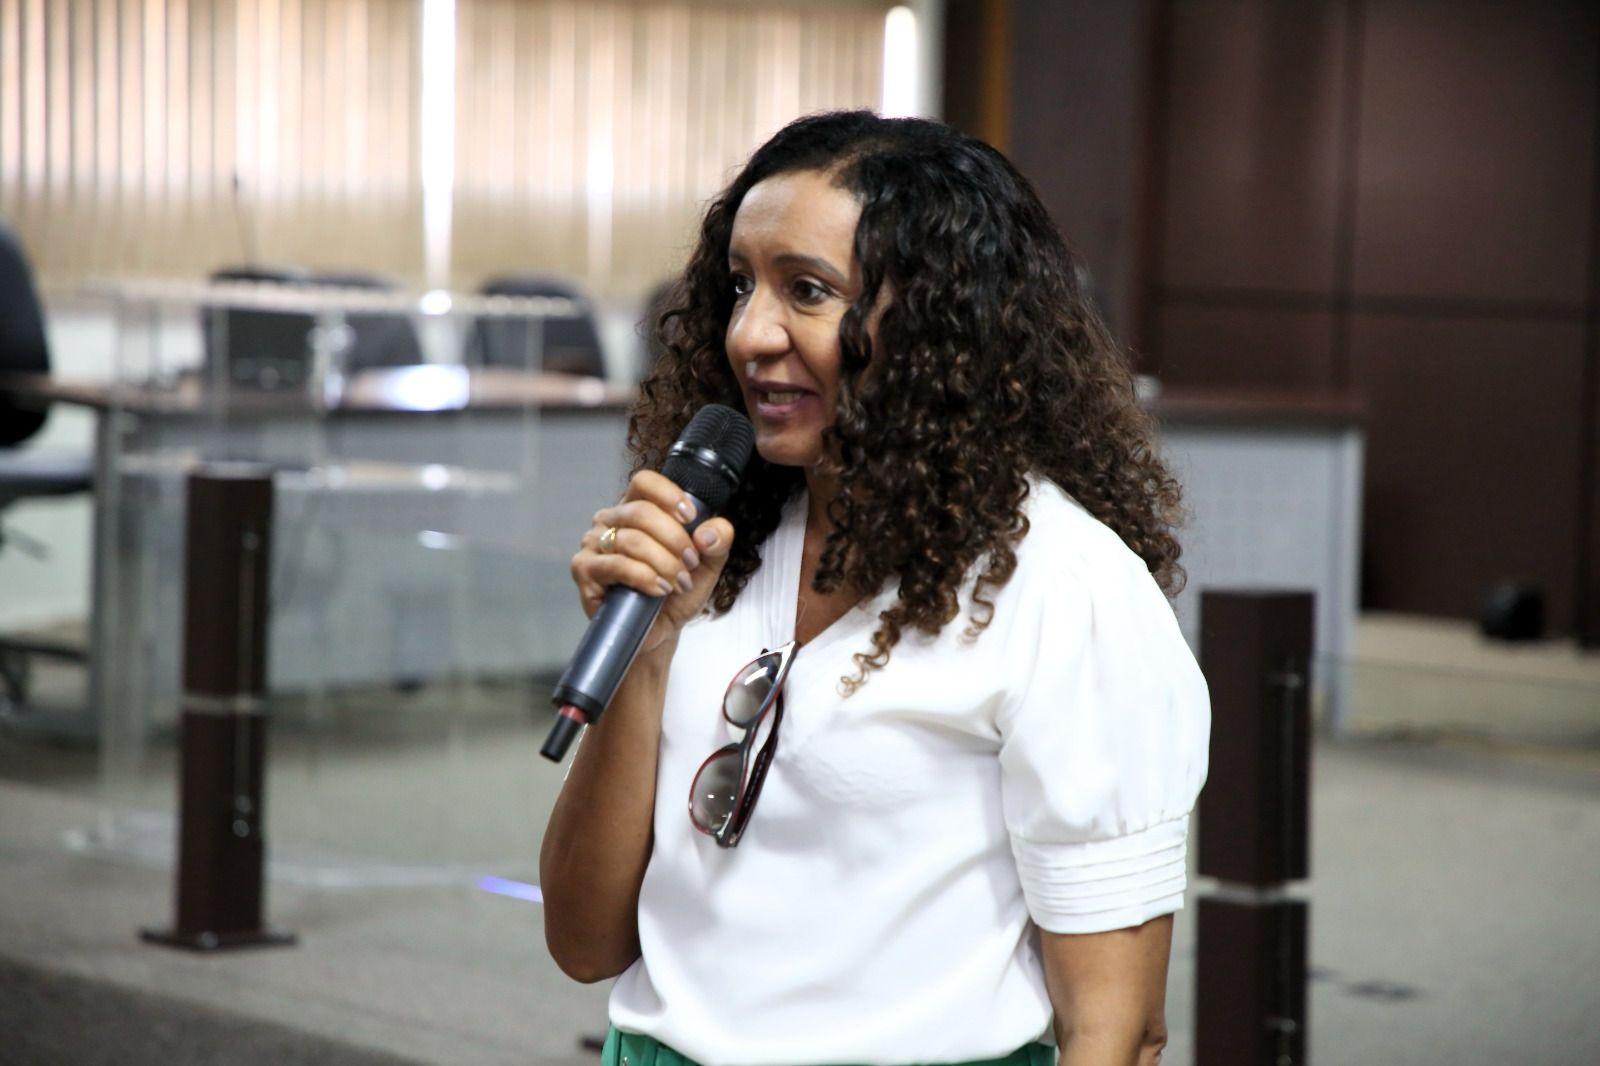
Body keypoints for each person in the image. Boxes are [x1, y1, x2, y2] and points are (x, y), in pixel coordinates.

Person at [540, 111, 1209, 1066]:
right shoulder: (715, 544)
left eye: (807, 291)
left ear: (941, 324)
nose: (750, 333)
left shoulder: (1067, 585)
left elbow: (1117, 1030)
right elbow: (582, 943)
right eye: (740, 285)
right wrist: (644, 656)